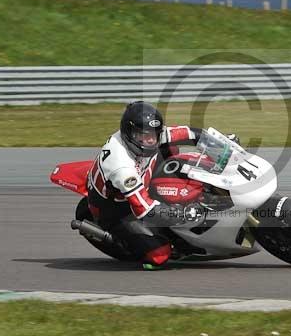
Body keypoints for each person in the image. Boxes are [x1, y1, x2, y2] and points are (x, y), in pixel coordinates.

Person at [86, 101, 207, 269]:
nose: (150, 140)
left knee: (173, 149)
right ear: (129, 134)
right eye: (143, 135)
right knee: (159, 255)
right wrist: (181, 214)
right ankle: (122, 239)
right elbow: (143, 208)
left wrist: (219, 142)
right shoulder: (120, 165)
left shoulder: (151, 136)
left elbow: (188, 133)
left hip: (142, 176)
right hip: (117, 206)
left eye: (154, 134)